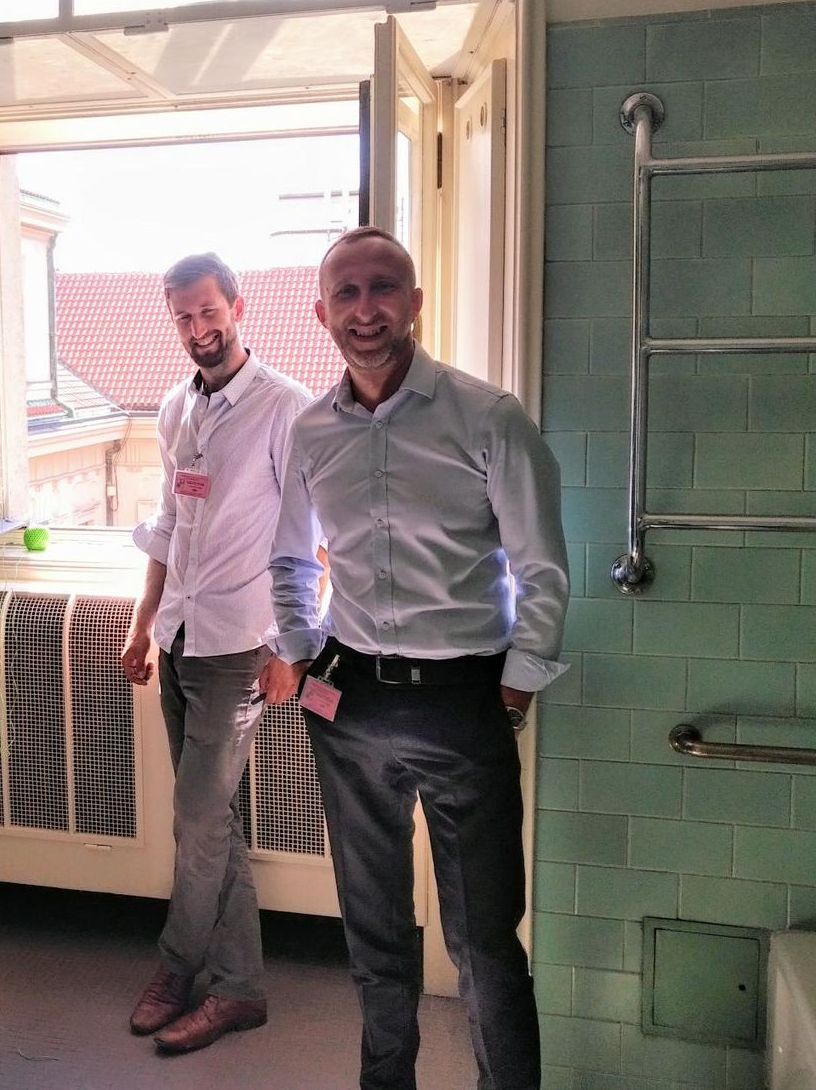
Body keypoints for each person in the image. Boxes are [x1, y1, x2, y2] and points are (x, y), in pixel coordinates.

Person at [265, 226, 568, 1090]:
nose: (366, 309)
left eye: (383, 288)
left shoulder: (488, 416)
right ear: (322, 312)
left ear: (415, 302)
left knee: (483, 942)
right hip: (350, 705)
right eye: (347, 292)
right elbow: (289, 559)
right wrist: (300, 651)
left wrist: (515, 688)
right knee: (375, 933)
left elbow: (542, 567)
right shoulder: (311, 431)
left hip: (464, 702)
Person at [121, 252, 314, 1054]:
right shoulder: (175, 408)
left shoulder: (286, 408)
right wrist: (143, 623)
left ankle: (177, 967)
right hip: (179, 636)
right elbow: (170, 525)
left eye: (209, 311)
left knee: (197, 817)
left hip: (241, 645)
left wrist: (292, 649)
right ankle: (239, 989)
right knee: (211, 822)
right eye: (184, 316)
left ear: (238, 306)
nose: (198, 328)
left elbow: (312, 540)